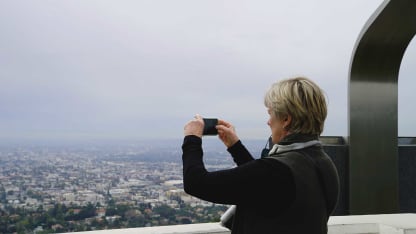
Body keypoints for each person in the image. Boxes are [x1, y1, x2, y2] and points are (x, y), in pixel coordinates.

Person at [182, 77, 340, 234]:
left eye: (271, 114)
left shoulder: (277, 172)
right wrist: (235, 147)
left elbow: (196, 183)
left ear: (286, 119)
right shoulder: (323, 163)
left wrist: (192, 138)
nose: (268, 122)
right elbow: (265, 188)